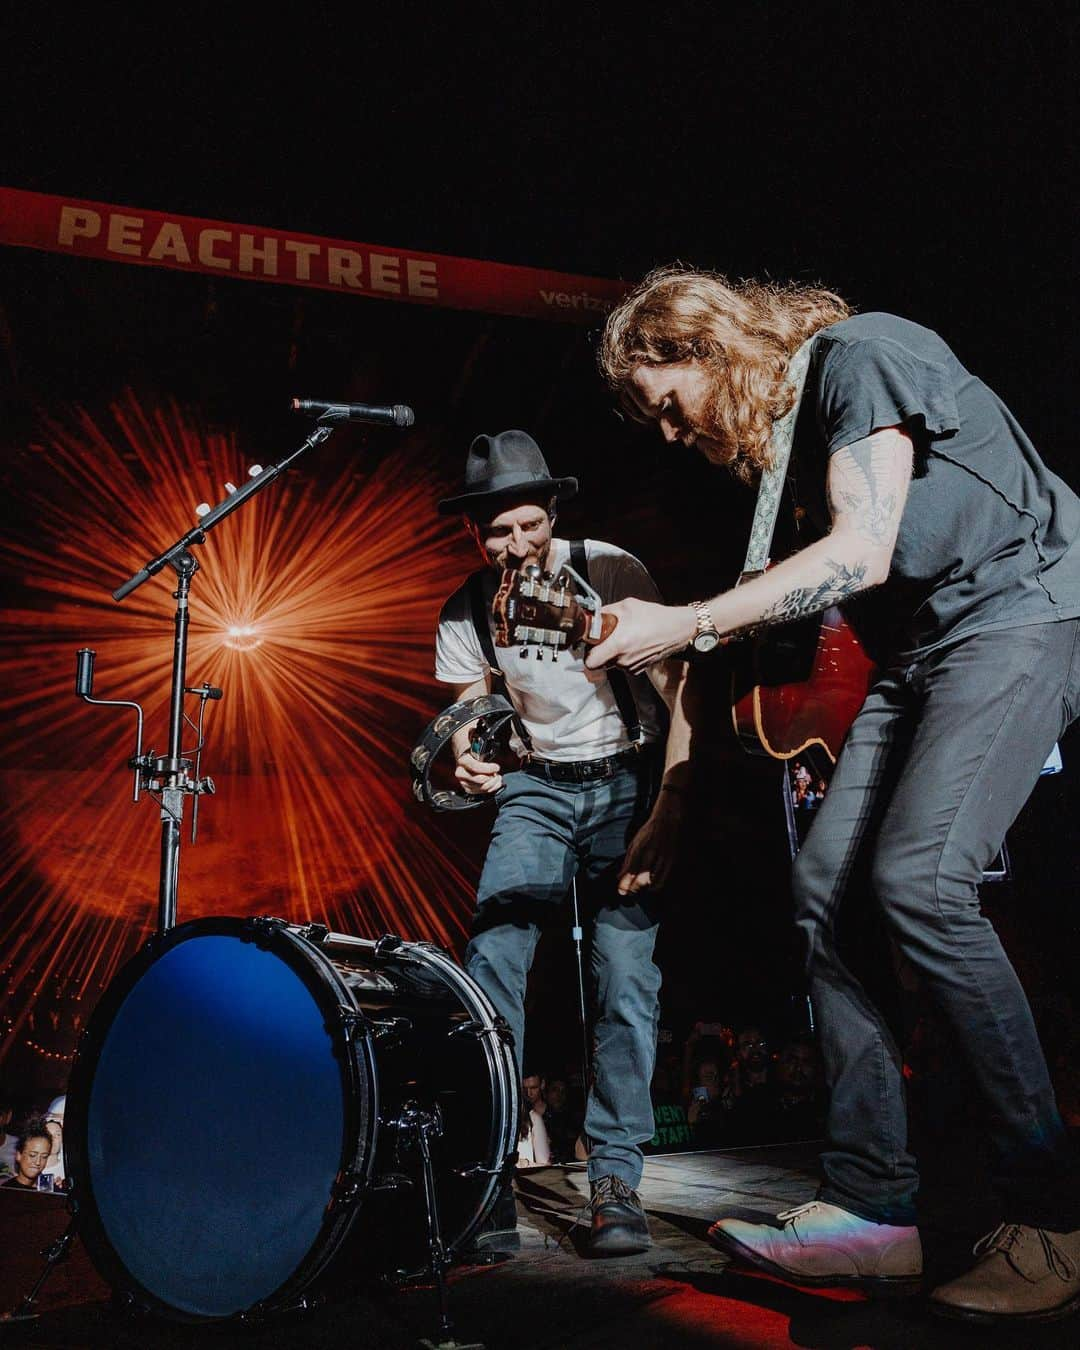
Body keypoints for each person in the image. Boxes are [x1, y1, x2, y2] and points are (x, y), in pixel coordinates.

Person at [592, 267, 1080, 1322]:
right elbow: (848, 594)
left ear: (709, 347)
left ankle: (1051, 1218)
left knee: (921, 883)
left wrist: (680, 623)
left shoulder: (865, 356)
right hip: (919, 653)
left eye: (668, 406)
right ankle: (871, 1211)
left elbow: (859, 552)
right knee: (825, 895)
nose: (671, 437)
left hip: (1019, 610)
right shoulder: (791, 453)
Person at [434, 429, 696, 1257]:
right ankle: (487, 1176)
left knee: (624, 975)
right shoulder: (466, 610)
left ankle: (614, 1175)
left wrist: (672, 805)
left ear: (553, 512)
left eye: (529, 526)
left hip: (625, 781)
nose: (517, 546)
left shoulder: (615, 569)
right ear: (476, 536)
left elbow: (682, 688)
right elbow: (474, 718)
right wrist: (467, 756)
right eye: (498, 533)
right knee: (493, 966)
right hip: (537, 789)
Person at [1, 1122, 53, 1190]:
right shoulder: (6, 1190)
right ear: (19, 1155)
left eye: (44, 1157)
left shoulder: (48, 1189)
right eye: (32, 1155)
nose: (38, 1162)